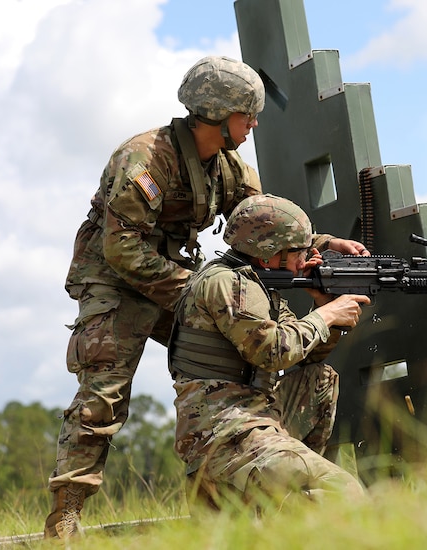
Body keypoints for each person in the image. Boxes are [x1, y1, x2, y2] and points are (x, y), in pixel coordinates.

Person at [44, 56, 369, 539]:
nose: (254, 125)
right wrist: (199, 292)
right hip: (113, 278)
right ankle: (65, 516)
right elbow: (121, 248)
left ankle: (244, 474)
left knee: (253, 350)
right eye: (247, 115)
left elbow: (260, 226)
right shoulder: (143, 159)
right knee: (104, 393)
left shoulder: (229, 167)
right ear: (215, 113)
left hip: (176, 277)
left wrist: (318, 245)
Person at [169, 194, 371, 513]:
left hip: (255, 418)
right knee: (343, 492)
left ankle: (282, 490)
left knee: (319, 379)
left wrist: (321, 305)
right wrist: (328, 314)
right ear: (268, 255)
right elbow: (273, 352)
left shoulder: (259, 286)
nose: (307, 259)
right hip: (224, 434)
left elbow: (304, 357)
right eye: (299, 252)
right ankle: (278, 500)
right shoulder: (229, 284)